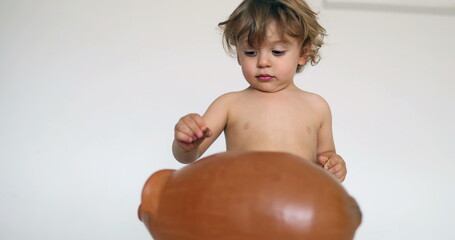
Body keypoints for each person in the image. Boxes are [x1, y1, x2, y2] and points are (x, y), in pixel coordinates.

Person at [172, 0, 347, 182]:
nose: (263, 62)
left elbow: (325, 157)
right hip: (244, 204)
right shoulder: (229, 104)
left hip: (298, 205)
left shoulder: (317, 106)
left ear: (303, 53)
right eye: (250, 52)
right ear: (239, 55)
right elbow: (187, 156)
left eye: (277, 52)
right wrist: (186, 144)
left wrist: (334, 165)